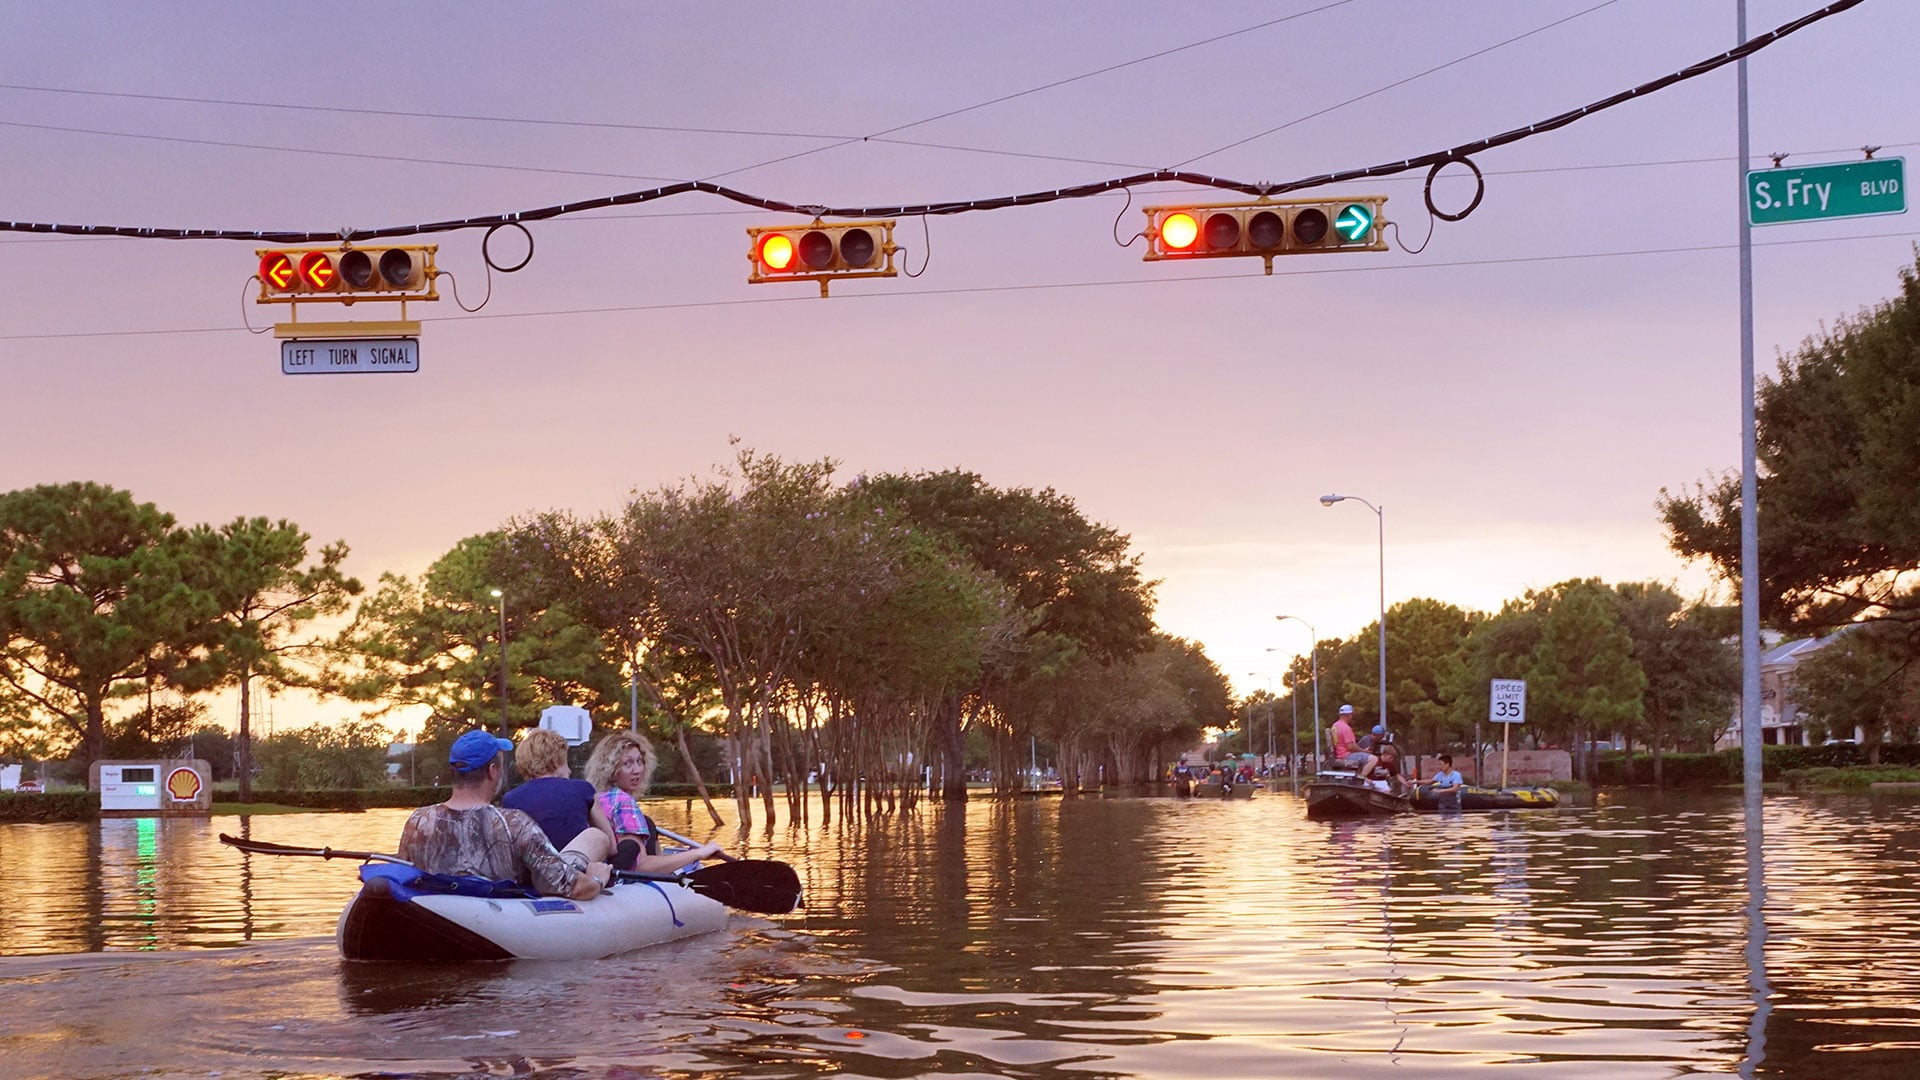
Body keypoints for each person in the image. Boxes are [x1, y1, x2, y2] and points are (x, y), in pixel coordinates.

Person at [397, 729, 612, 901]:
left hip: (444, 908)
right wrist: (596, 878)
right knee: (595, 836)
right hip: (499, 918)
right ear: (492, 771)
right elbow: (571, 886)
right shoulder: (514, 824)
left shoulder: (418, 821)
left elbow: (404, 875)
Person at [583, 730, 726, 875]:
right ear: (611, 770)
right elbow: (641, 866)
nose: (637, 770)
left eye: (639, 761)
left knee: (648, 823)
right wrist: (699, 853)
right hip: (625, 882)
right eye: (627, 764)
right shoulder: (623, 801)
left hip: (604, 875)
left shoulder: (596, 798)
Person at [502, 727, 617, 856]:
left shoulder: (510, 799)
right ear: (556, 761)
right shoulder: (583, 790)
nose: (569, 771)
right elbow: (611, 846)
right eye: (566, 762)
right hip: (575, 871)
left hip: (530, 872)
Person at [1331, 704, 1376, 781]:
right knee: (1373, 759)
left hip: (1339, 754)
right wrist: (1364, 751)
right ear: (1349, 715)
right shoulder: (1346, 728)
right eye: (1351, 714)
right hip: (1346, 755)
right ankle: (1361, 778)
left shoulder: (1335, 726)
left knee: (1364, 756)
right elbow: (1351, 747)